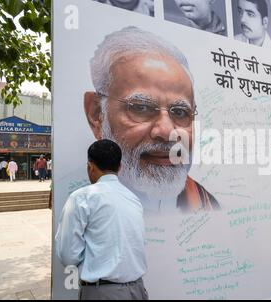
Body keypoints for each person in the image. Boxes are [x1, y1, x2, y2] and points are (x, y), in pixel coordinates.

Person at [84, 26, 220, 214]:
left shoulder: (207, 205)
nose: (166, 132)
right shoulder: (85, 206)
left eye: (180, 112)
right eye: (141, 108)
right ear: (96, 113)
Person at [55, 139, 148, 300]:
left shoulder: (81, 198)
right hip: (137, 291)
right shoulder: (133, 199)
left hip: (102, 293)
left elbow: (68, 256)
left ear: (90, 166)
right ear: (120, 167)